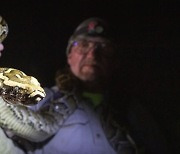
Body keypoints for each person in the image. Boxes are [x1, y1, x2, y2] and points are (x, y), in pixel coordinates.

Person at [0, 17, 169, 154]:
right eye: (83, 45)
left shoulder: (137, 113)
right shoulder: (37, 96)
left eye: (104, 48)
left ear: (116, 61)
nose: (92, 54)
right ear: (69, 56)